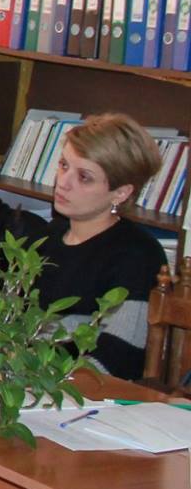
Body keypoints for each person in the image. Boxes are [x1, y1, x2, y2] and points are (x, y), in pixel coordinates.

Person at [9, 113, 166, 381]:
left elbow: (119, 359)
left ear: (121, 193)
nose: (63, 182)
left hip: (75, 391)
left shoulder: (137, 254)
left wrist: (34, 379)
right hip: (21, 377)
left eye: (84, 177)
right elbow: (10, 322)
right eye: (63, 165)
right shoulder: (48, 236)